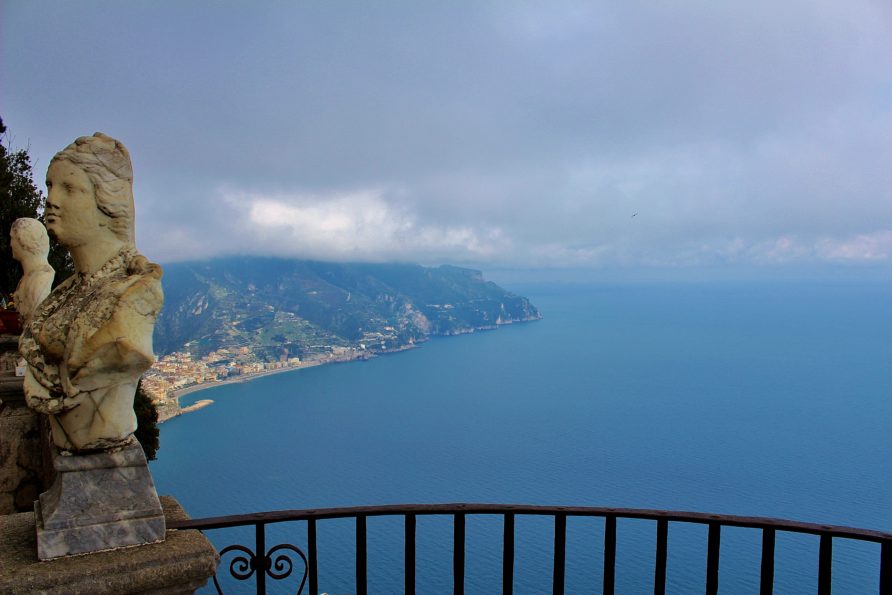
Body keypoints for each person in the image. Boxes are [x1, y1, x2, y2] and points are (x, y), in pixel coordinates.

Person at [19, 133, 163, 453]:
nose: (52, 199)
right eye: (50, 186)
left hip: (100, 431)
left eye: (69, 189)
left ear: (107, 204)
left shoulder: (134, 293)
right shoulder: (67, 293)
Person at [10, 218, 55, 325]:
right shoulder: (26, 278)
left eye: (12, 238)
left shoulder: (41, 278)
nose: (10, 244)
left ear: (23, 240)